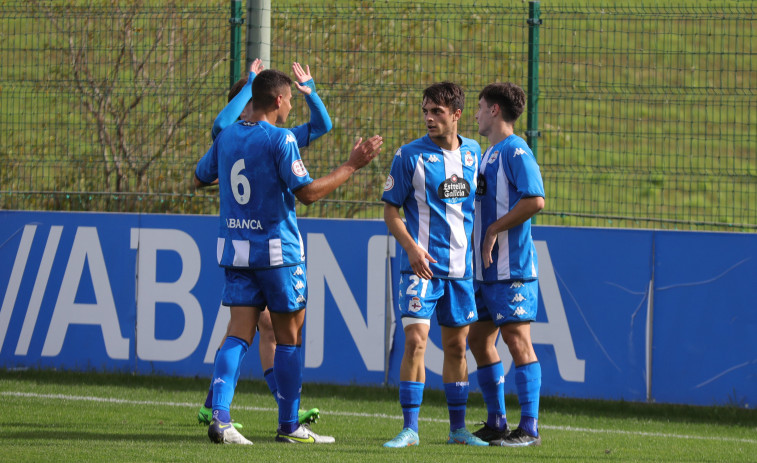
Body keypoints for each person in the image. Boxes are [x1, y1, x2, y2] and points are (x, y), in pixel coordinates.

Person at [194, 68, 382, 445]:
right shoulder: (280, 140)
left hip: (236, 252)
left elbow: (199, 177)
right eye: (291, 99)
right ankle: (289, 426)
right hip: (278, 254)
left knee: (237, 335)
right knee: (289, 337)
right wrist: (351, 166)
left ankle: (221, 419)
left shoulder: (228, 136)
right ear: (279, 100)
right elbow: (308, 193)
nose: (292, 105)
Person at [196, 59, 328, 431]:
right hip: (272, 251)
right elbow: (222, 124)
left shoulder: (251, 138)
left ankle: (218, 407)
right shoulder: (260, 136)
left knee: (248, 330)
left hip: (238, 249)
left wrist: (311, 93)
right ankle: (286, 418)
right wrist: (252, 81)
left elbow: (321, 126)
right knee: (272, 332)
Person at [381, 82, 487, 448]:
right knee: (416, 341)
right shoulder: (409, 156)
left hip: (460, 269)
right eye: (425, 111)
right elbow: (390, 210)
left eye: (437, 112)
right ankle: (410, 428)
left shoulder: (474, 153)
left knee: (458, 348)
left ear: (456, 114)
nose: (428, 118)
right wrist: (410, 248)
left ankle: (458, 429)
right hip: (420, 268)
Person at [469, 82, 545, 447]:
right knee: (479, 339)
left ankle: (528, 428)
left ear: (495, 110)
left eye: (481, 107)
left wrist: (494, 230)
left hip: (511, 269)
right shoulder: (489, 154)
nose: (477, 114)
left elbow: (535, 200)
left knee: (517, 339)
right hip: (485, 272)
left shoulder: (515, 151)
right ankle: (497, 421)